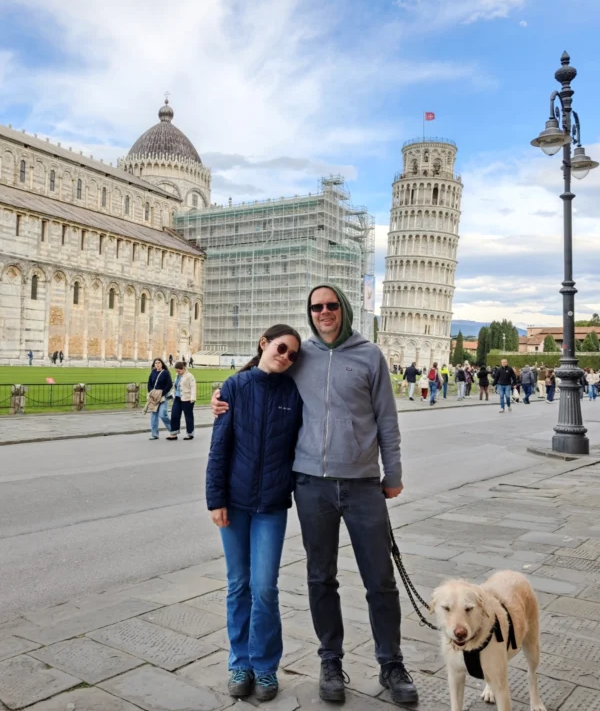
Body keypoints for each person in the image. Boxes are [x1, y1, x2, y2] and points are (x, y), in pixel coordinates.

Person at [212, 284, 419, 705]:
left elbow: (387, 420)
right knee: (320, 578)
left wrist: (392, 474)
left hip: (362, 483)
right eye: (316, 307)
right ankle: (330, 662)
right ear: (310, 313)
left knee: (379, 579)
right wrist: (222, 394)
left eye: (330, 306)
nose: (324, 312)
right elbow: (261, 374)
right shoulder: (301, 356)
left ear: (342, 309)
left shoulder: (369, 355)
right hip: (310, 484)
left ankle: (391, 663)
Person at [206, 325, 303, 702]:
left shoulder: (293, 393)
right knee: (238, 585)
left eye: (293, 355)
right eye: (282, 348)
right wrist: (215, 499)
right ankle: (239, 663)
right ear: (264, 344)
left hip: (272, 506)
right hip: (235, 501)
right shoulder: (235, 387)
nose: (286, 357)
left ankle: (264, 667)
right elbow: (220, 447)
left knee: (264, 588)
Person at [168, 361, 197, 441]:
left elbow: (193, 387)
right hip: (177, 398)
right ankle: (174, 433)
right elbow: (176, 386)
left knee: (188, 416)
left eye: (179, 371)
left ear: (183, 369)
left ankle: (190, 433)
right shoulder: (177, 376)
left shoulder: (189, 376)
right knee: (174, 415)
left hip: (187, 399)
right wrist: (172, 394)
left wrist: (192, 398)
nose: (178, 372)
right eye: (176, 371)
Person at [146, 359, 173, 440]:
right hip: (154, 397)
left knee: (162, 414)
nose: (157, 364)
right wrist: (151, 392)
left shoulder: (165, 373)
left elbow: (169, 384)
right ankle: (154, 434)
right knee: (154, 416)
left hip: (163, 397)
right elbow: (149, 383)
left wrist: (162, 393)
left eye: (159, 363)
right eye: (156, 363)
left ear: (162, 364)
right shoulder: (153, 372)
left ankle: (173, 430)